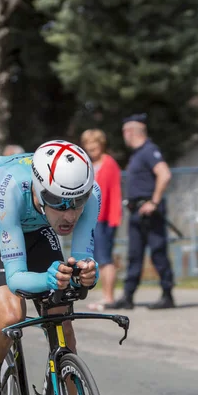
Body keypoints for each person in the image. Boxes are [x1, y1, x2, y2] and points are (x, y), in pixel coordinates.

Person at [0, 140, 100, 395]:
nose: (70, 214)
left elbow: (82, 262)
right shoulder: (8, 188)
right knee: (11, 316)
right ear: (39, 189)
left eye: (78, 201)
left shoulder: (90, 195)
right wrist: (50, 277)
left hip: (37, 229)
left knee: (62, 323)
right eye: (60, 202)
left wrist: (87, 275)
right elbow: (17, 280)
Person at [111, 113, 175, 310]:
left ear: (129, 132)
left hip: (150, 212)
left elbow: (164, 174)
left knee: (158, 253)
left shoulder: (149, 151)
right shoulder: (137, 154)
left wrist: (154, 202)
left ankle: (167, 295)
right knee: (134, 255)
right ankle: (128, 296)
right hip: (137, 211)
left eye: (124, 132)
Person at [80, 129, 122, 310]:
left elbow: (114, 192)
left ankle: (109, 297)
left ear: (101, 144)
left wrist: (114, 218)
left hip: (105, 218)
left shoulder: (109, 163)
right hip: (91, 219)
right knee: (97, 258)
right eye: (88, 145)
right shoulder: (87, 165)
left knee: (105, 259)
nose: (91, 149)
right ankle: (105, 296)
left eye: (94, 145)